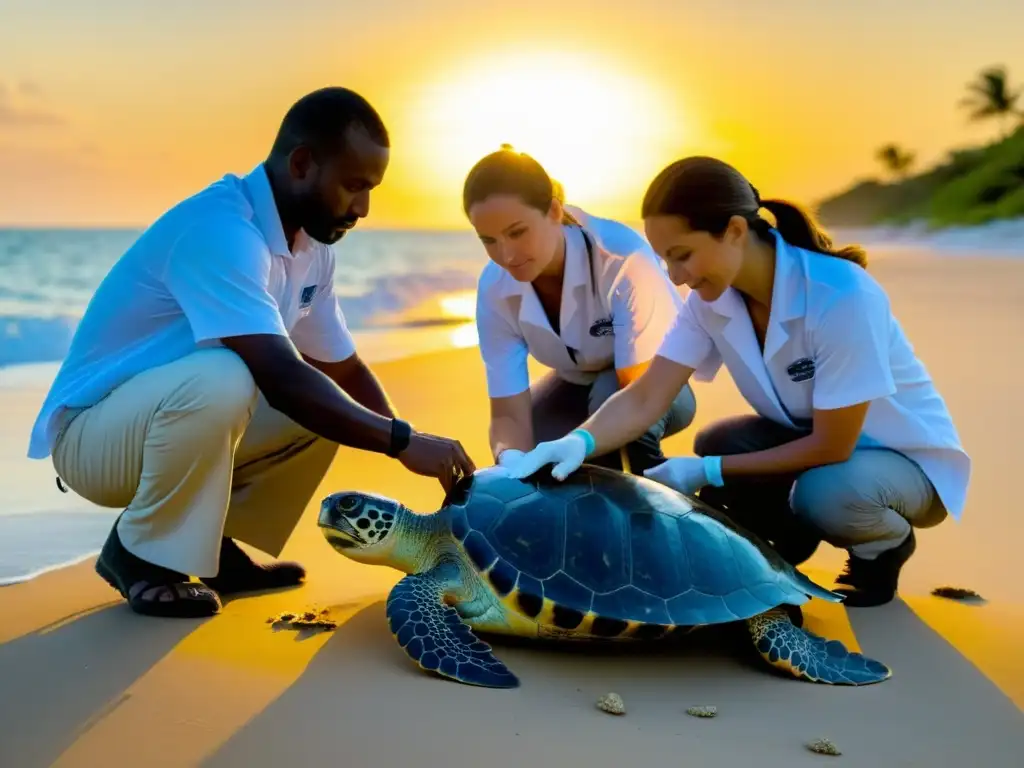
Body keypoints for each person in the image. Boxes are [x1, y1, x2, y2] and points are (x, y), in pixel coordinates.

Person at [26, 87, 476, 619]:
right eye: (353, 186)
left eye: (371, 189)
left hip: (163, 420)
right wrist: (400, 442)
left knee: (325, 404)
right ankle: (141, 553)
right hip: (93, 438)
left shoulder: (312, 247)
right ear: (303, 164)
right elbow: (280, 375)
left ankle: (208, 546)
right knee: (229, 375)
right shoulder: (220, 230)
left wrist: (410, 438)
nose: (363, 208)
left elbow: (340, 366)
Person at [506, 155, 970, 608]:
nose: (676, 277)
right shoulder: (712, 301)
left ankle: (883, 547)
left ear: (734, 231)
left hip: (900, 463)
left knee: (823, 494)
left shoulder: (841, 295)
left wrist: (708, 472)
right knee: (719, 440)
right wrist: (578, 443)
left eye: (682, 255)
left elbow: (833, 446)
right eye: (665, 260)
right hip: (814, 443)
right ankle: (794, 535)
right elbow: (648, 393)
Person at [464, 146, 698, 476]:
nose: (506, 254)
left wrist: (584, 441)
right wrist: (511, 462)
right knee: (533, 464)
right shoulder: (494, 287)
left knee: (605, 416)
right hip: (575, 383)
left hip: (656, 388)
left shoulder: (623, 259)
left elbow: (639, 394)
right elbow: (507, 416)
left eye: (517, 232)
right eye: (488, 240)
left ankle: (655, 506)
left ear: (554, 212)